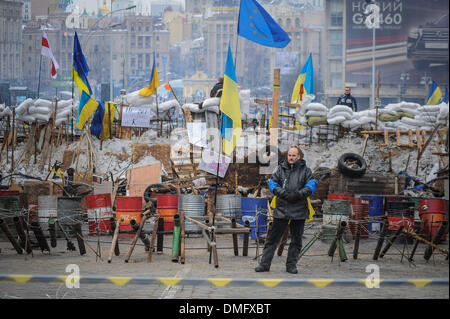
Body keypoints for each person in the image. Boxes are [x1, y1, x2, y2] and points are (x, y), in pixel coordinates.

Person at [255, 145, 317, 274]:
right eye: (289, 155)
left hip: (299, 210)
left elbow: (311, 185)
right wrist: (282, 193)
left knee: (296, 241)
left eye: (294, 155)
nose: (291, 158)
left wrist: (298, 194)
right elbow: (272, 183)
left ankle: (291, 266)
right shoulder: (280, 169)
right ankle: (264, 264)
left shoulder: (306, 171)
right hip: (282, 209)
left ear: (299, 156)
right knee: (272, 239)